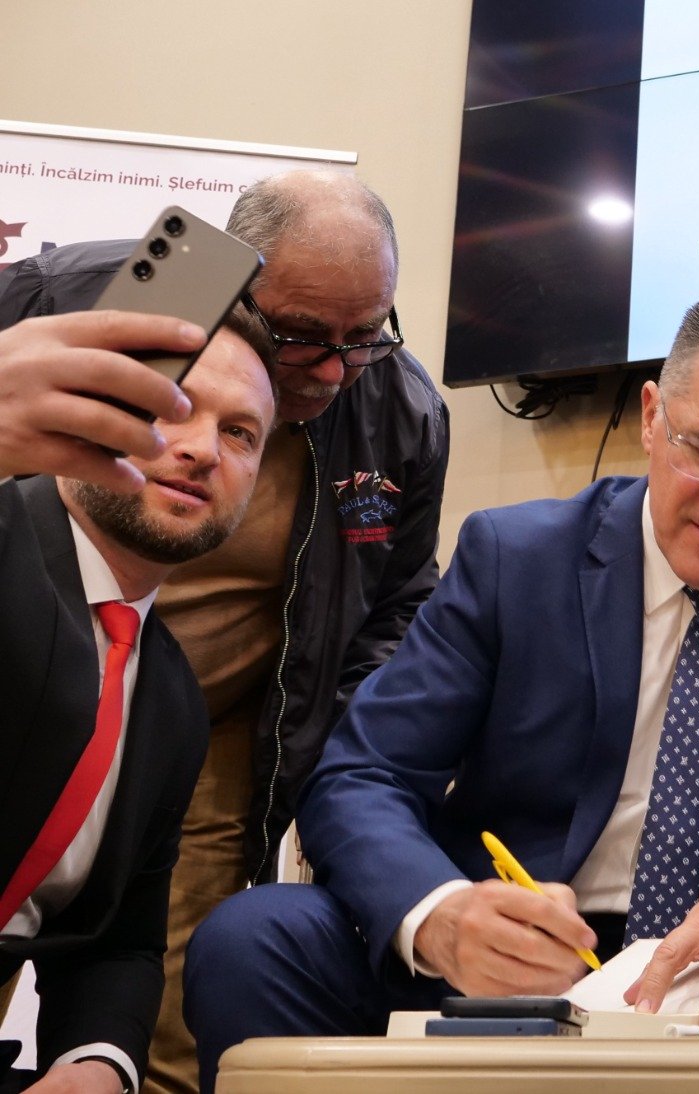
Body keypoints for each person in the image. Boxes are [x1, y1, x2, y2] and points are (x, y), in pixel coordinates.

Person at [183, 282, 699, 1090]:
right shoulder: (514, 557)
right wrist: (442, 915)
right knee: (256, 934)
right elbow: (362, 775)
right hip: (516, 961)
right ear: (653, 418)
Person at [0, 170, 449, 1094]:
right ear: (238, 278)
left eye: (363, 337)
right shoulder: (82, 298)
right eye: (303, 335)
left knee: (156, 997)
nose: (333, 370)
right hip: (26, 660)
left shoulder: (401, 411)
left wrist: (344, 751)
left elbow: (401, 595)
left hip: (193, 728)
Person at [0, 306, 277, 1094]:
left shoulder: (172, 704)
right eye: (172, 403)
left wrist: (96, 1064)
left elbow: (120, 941)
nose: (201, 449)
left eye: (240, 434)